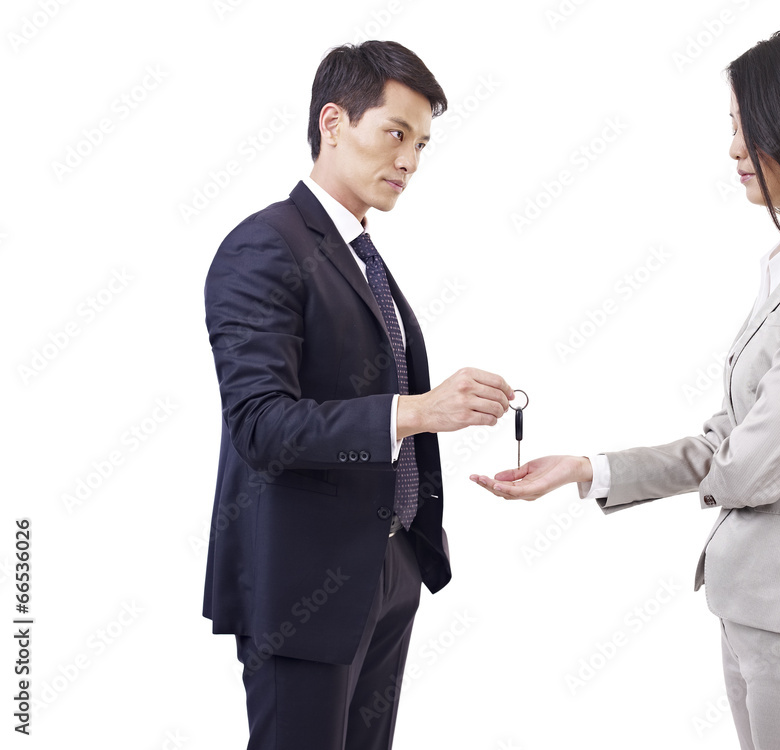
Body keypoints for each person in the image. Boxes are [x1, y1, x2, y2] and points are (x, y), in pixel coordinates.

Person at [471, 27, 780, 750]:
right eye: (732, 127)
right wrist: (588, 469)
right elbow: (729, 441)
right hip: (763, 615)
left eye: (747, 127)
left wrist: (728, 468)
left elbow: (753, 464)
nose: (734, 149)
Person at [203, 40, 514, 750]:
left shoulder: (360, 253)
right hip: (302, 589)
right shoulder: (263, 247)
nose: (408, 161)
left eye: (422, 144)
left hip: (386, 567)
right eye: (395, 134)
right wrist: (418, 411)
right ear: (334, 122)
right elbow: (261, 425)